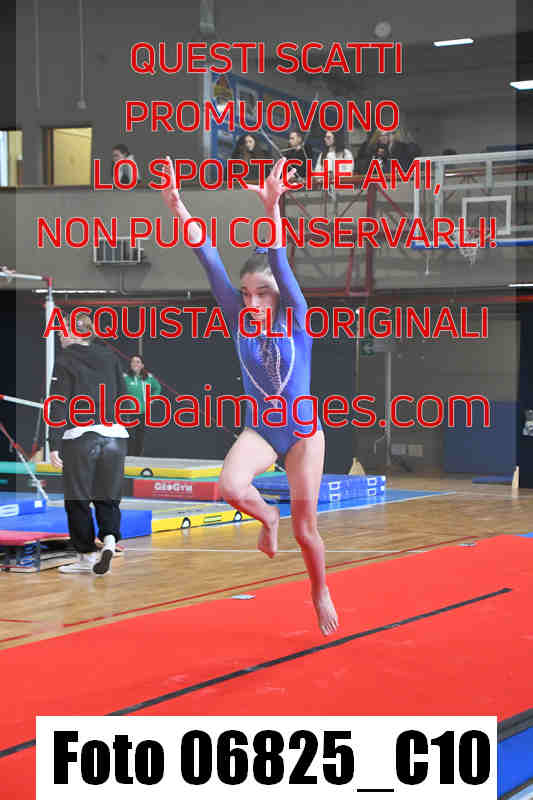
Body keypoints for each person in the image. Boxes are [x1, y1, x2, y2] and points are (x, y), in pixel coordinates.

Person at [159, 155, 338, 636]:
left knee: (306, 532)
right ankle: (267, 516)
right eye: (245, 293)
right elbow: (209, 257)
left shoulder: (297, 319)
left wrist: (272, 208)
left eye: (262, 293)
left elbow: (279, 260)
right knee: (232, 489)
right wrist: (177, 205)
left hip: (302, 434)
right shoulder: (238, 318)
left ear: (279, 295)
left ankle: (319, 589)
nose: (251, 301)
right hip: (263, 430)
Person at [48, 313, 129, 575]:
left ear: (76, 333)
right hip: (115, 435)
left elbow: (59, 403)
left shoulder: (65, 360)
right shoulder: (110, 356)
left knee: (77, 498)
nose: (59, 336)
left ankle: (85, 556)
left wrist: (53, 443)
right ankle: (109, 540)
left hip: (82, 436)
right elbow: (123, 394)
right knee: (107, 496)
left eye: (62, 332)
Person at [122, 354, 162, 456]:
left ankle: (138, 458)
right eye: (132, 361)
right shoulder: (125, 377)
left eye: (137, 362)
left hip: (143, 412)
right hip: (129, 412)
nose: (134, 364)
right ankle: (129, 458)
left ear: (142, 365)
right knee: (130, 437)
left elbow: (157, 388)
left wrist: (151, 399)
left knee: (140, 437)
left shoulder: (148, 377)